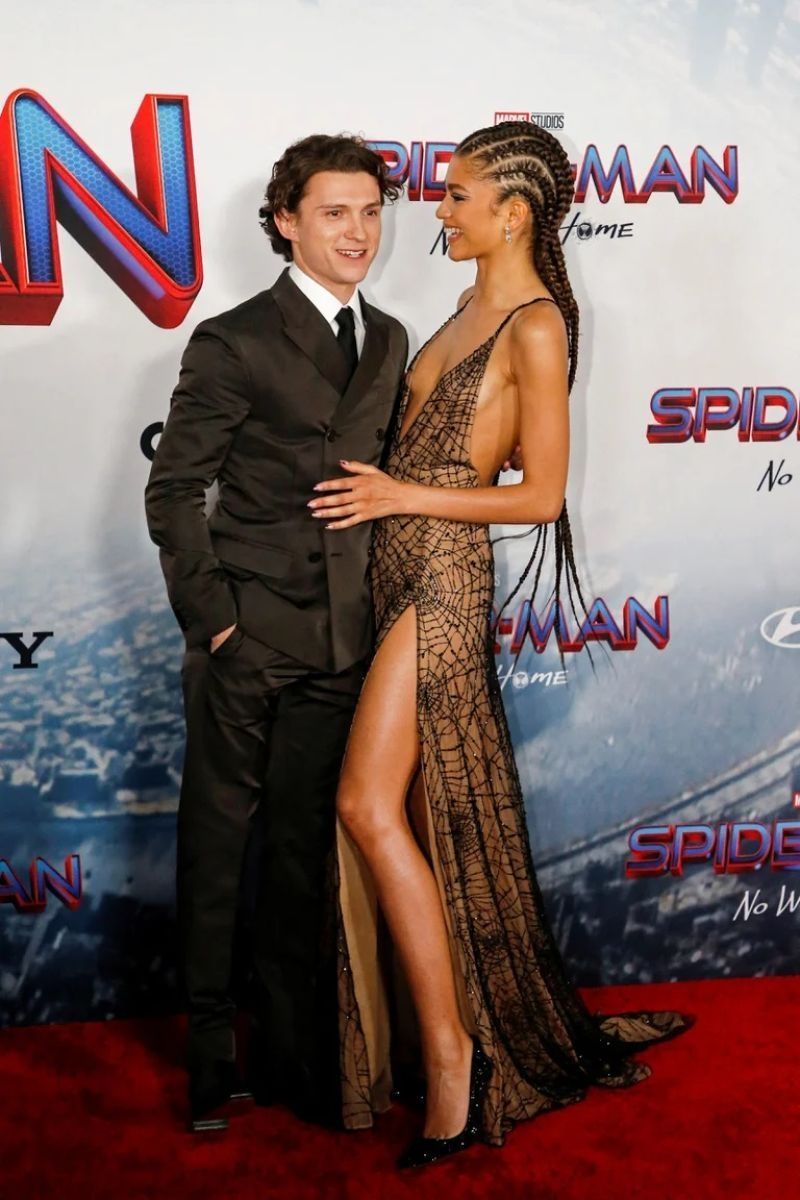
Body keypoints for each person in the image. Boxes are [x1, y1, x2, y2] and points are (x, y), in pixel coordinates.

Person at [309, 121, 689, 1167]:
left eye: (457, 195)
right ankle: (439, 1041)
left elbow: (539, 495)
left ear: (512, 212)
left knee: (364, 804)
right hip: (394, 568)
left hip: (441, 577)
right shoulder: (463, 303)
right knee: (418, 817)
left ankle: (452, 1058)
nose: (437, 210)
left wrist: (399, 495)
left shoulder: (534, 325)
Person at [144, 134, 407, 1132]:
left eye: (371, 212)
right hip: (247, 641)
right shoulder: (234, 340)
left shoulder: (388, 339)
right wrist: (216, 624)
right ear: (287, 222)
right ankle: (211, 1066)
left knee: (302, 861)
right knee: (218, 852)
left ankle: (296, 1063)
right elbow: (173, 491)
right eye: (335, 212)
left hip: (341, 646)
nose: (358, 232)